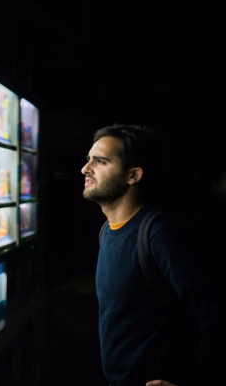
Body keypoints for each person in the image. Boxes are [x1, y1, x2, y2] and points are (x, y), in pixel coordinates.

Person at [81, 124, 218, 385]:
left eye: (100, 161)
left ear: (133, 175)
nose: (85, 169)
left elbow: (213, 311)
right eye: (88, 159)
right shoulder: (107, 231)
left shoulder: (158, 234)